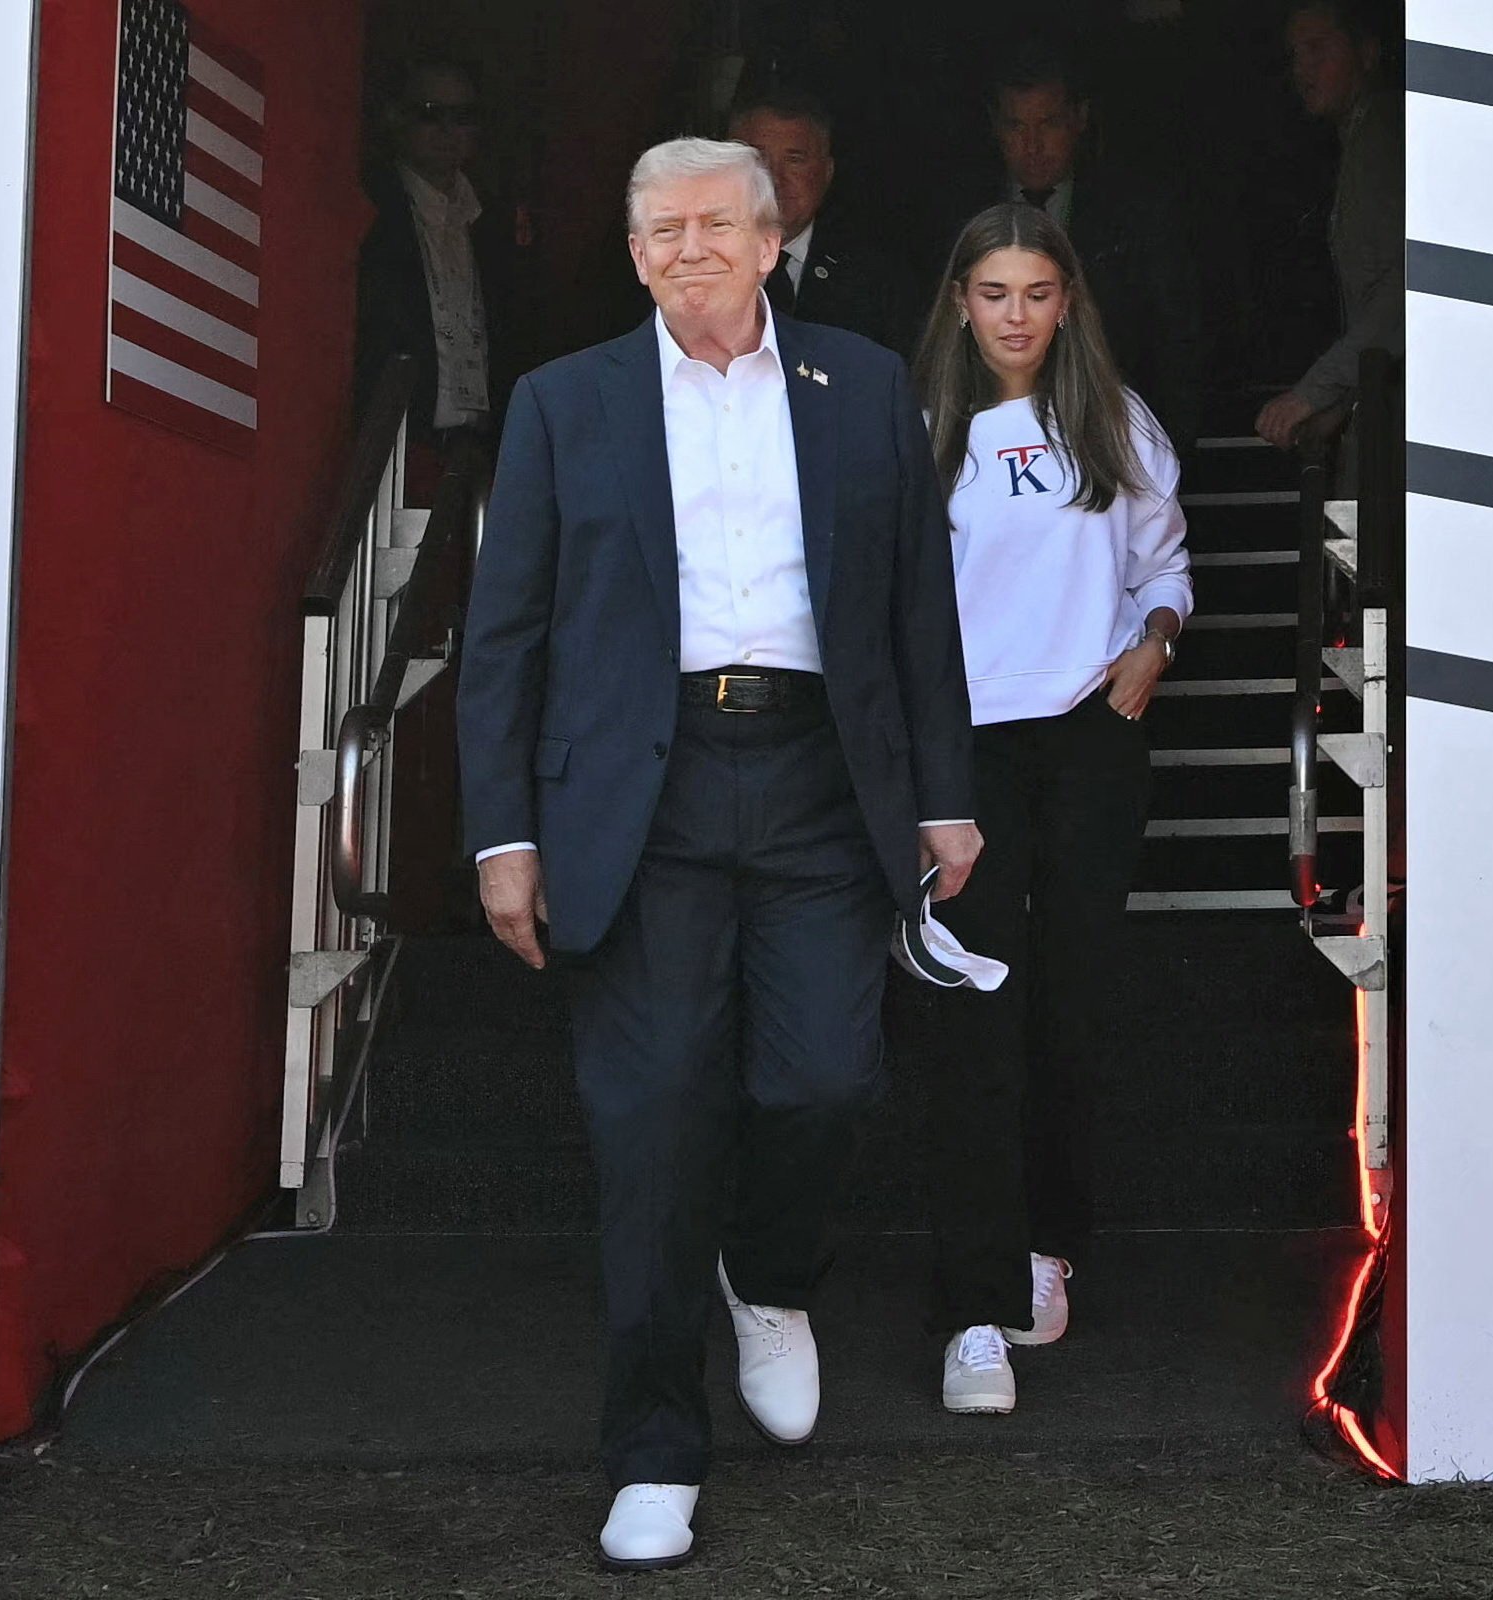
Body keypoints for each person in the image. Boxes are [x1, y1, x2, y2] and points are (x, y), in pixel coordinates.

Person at [457, 137, 980, 1569]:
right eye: (660, 229)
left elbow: (916, 609)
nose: (687, 247)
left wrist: (943, 793)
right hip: (641, 793)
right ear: (634, 256)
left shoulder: (861, 384)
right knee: (651, 1119)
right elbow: (503, 635)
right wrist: (503, 833)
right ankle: (650, 1451)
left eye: (713, 224)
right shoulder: (564, 402)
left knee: (826, 1078)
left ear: (767, 242)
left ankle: (767, 1267)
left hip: (819, 777)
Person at [908, 202, 1190, 1415]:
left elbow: (1162, 564)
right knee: (975, 1009)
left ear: (1066, 301)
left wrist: (1155, 640)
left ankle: (1045, 1245)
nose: (1014, 316)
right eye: (992, 294)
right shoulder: (920, 429)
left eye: (1035, 293)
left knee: (1071, 997)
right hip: (964, 746)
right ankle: (970, 1310)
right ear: (958, 304)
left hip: (1087, 735)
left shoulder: (1114, 423)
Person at [952, 45, 1205, 452]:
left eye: (1048, 124)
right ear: (995, 126)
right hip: (988, 442)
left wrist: (1167, 445)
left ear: (1079, 119)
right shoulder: (962, 216)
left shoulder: (1135, 214)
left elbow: (1175, 340)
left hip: (1115, 439)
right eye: (1017, 126)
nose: (1032, 145)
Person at [1254, 0, 1403, 459]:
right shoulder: (1360, 137)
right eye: (1296, 55)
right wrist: (1339, 400)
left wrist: (1315, 392)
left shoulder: (1384, 135)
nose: (1303, 70)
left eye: (1318, 49)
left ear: (1367, 53)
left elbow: (1407, 289)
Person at [353, 61, 509, 453]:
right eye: (430, 114)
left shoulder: (492, 224)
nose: (447, 130)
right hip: (397, 446)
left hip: (478, 449)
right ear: (397, 116)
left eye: (462, 117)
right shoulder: (369, 209)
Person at [728, 88, 919, 354]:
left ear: (827, 172)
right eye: (757, 160)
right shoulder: (694, 261)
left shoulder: (877, 278)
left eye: (794, 160)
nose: (773, 179)